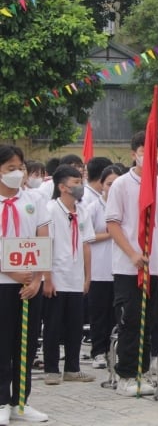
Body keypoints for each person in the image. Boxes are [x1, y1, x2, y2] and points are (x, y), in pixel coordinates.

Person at [105, 132, 158, 396]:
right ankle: (126, 374)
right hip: (128, 267)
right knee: (130, 320)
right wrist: (133, 254)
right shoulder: (122, 185)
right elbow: (113, 223)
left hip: (156, 266)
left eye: (154, 152)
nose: (149, 157)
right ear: (134, 153)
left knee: (151, 321)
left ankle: (143, 371)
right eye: (144, 152)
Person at [0, 145, 51, 423]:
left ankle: (22, 401)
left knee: (27, 344)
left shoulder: (34, 199)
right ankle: (1, 402)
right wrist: (10, 272)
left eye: (19, 168)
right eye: (10, 168)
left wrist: (38, 278)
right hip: (3, 283)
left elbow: (43, 239)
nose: (16, 173)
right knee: (3, 343)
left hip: (31, 284)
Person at [43, 165, 96, 385]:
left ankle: (72, 368)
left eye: (80, 181)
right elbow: (46, 245)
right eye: (75, 182)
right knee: (54, 326)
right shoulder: (50, 210)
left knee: (75, 326)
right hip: (56, 276)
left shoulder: (82, 210)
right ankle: (52, 369)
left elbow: (86, 245)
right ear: (62, 187)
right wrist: (47, 278)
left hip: (75, 278)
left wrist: (87, 276)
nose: (80, 186)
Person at [87, 165, 124, 369]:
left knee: (116, 315)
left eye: (116, 183)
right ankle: (98, 352)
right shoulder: (93, 208)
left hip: (119, 269)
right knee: (98, 314)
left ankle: (113, 352)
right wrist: (112, 234)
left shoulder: (124, 206)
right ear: (102, 185)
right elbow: (87, 236)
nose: (112, 187)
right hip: (99, 270)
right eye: (109, 183)